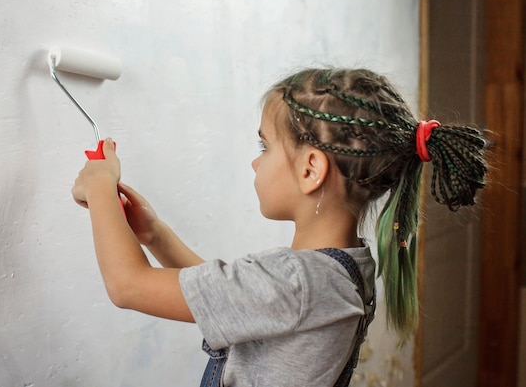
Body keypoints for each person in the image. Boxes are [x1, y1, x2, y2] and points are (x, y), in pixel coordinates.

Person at [71, 67, 488, 386]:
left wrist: (100, 186)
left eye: (265, 146)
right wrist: (155, 234)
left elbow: (127, 285)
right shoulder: (344, 269)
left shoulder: (298, 282)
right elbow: (230, 299)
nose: (256, 161)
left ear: (311, 169)